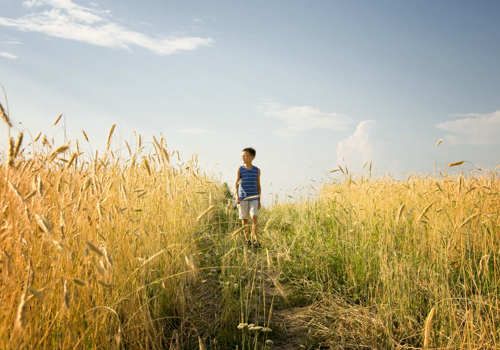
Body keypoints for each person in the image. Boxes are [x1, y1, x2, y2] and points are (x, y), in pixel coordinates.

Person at [235, 147, 261, 247]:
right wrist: (237, 196)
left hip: (254, 197)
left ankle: (255, 240)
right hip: (243, 198)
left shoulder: (257, 170)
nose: (244, 158)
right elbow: (236, 183)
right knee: (244, 219)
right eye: (242, 156)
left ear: (252, 157)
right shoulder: (240, 169)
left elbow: (258, 184)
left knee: (254, 217)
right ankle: (248, 240)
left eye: (246, 156)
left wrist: (259, 199)